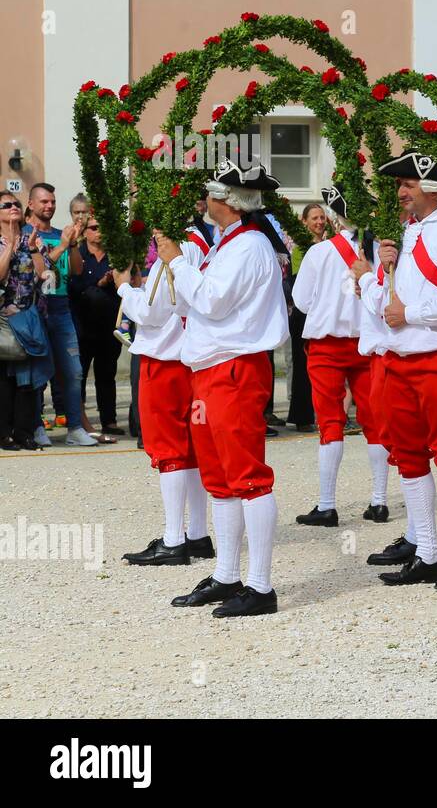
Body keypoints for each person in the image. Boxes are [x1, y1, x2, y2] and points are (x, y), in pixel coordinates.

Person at [158, 160, 289, 617]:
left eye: (211, 193)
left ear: (226, 201)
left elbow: (212, 300)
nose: (206, 201)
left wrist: (175, 259)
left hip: (234, 368)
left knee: (247, 475)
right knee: (221, 478)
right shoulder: (233, 242)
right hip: (213, 368)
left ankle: (260, 585)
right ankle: (228, 573)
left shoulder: (248, 246)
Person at [356, 150, 437, 592]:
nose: (401, 192)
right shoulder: (403, 234)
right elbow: (386, 305)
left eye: (407, 184)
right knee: (408, 458)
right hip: (398, 358)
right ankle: (428, 552)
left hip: (436, 357)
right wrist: (373, 276)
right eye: (399, 185)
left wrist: (411, 313)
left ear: (431, 185)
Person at [113, 226, 213, 566]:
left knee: (168, 449)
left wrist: (124, 288)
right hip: (191, 357)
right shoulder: (202, 241)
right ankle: (197, 534)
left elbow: (152, 312)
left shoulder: (174, 244)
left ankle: (173, 539)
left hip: (165, 359)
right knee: (192, 448)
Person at [291, 186, 390, 528]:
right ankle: (379, 501)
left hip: (328, 345)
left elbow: (302, 302)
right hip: (367, 342)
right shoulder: (378, 250)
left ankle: (328, 504)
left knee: (330, 422)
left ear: (334, 218)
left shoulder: (320, 254)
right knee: (375, 420)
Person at [23, 182, 97, 446]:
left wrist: (73, 245)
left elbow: (76, 270)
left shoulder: (59, 234)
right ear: (30, 204)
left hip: (61, 306)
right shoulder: (24, 236)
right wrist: (63, 245)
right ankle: (36, 427)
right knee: (38, 372)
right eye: (44, 201)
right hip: (34, 307)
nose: (49, 206)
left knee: (74, 371)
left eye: (52, 201)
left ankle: (75, 428)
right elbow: (38, 273)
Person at [0, 195, 51, 451]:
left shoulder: (34, 238)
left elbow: (46, 275)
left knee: (28, 380)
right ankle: (4, 432)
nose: (13, 208)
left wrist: (31, 248)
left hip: (28, 318)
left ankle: (24, 431)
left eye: (16, 205)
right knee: (4, 380)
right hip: (3, 320)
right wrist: (9, 245)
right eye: (6, 205)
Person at [69, 214, 124, 437]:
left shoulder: (114, 255)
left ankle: (109, 420)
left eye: (102, 226)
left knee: (106, 375)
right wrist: (98, 283)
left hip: (108, 325)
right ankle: (78, 420)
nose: (98, 231)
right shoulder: (79, 254)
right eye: (94, 227)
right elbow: (75, 286)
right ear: (84, 232)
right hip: (83, 325)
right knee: (79, 375)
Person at [286, 202, 329, 432]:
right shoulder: (300, 248)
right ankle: (302, 416)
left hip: (324, 311)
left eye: (322, 217)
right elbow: (298, 281)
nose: (319, 222)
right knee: (302, 365)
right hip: (304, 312)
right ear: (304, 222)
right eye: (314, 218)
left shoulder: (330, 245)